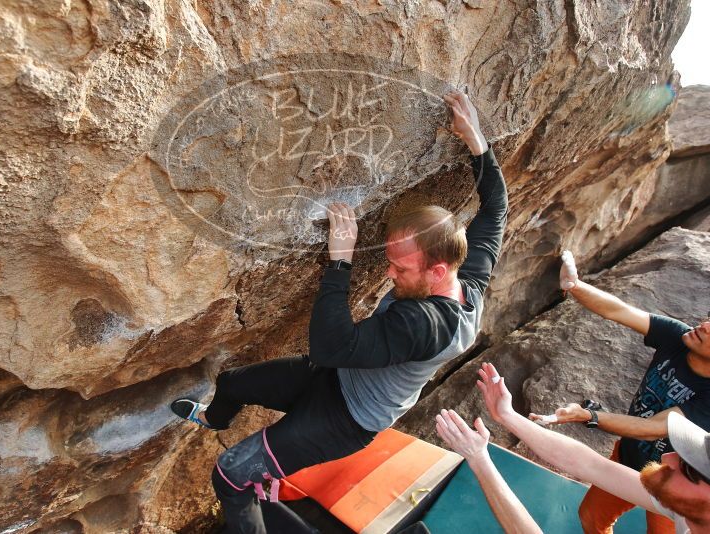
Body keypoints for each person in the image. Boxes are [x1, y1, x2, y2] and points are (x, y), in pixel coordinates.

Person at [169, 91, 508, 534]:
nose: (388, 273)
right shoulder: (471, 275)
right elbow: (496, 206)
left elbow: (331, 346)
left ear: (438, 269)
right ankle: (213, 418)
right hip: (336, 379)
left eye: (400, 268)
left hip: (344, 419)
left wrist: (341, 262)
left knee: (231, 475)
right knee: (232, 383)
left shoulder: (424, 324)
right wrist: (476, 140)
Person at [527, 251, 710, 533]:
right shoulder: (679, 337)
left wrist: (588, 415)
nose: (705, 326)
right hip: (630, 457)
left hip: (675, 479)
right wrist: (575, 285)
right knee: (591, 518)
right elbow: (618, 310)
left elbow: (654, 428)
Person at [472, 362, 710, 534]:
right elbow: (590, 464)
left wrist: (480, 459)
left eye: (690, 470)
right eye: (683, 455)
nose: (669, 458)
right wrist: (508, 416)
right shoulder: (693, 508)